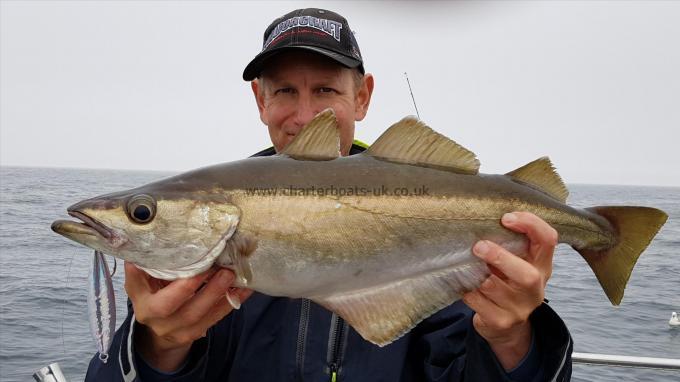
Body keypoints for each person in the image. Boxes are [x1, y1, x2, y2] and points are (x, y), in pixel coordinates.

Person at [85, 8, 572, 381]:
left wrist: (512, 336)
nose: (304, 117)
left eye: (325, 91)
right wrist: (159, 345)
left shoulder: (437, 221)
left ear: (362, 97)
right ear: (260, 100)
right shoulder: (187, 252)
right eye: (284, 93)